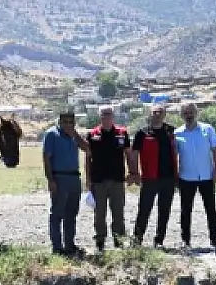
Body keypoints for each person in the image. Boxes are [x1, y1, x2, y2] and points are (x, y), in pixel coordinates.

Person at [85, 104, 135, 252]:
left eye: (109, 114)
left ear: (113, 116)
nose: (106, 117)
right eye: (104, 114)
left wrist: (133, 172)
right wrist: (88, 179)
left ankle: (118, 241)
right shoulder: (92, 134)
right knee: (99, 213)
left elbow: (128, 154)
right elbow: (88, 158)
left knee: (118, 212)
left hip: (117, 179)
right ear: (100, 117)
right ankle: (100, 241)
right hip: (98, 180)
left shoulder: (122, 133)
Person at [174, 103, 216, 247]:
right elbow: (174, 156)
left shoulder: (207, 129)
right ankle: (186, 240)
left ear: (196, 113)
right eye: (186, 113)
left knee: (210, 209)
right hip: (186, 177)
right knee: (185, 210)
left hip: (206, 176)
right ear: (182, 115)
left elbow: (215, 151)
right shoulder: (177, 133)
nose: (189, 115)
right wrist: (175, 174)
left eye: (191, 112)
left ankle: (214, 239)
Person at [41, 109, 87, 255]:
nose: (68, 125)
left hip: (74, 178)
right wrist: (50, 180)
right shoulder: (52, 134)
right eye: (65, 122)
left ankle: (70, 245)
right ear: (59, 122)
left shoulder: (74, 135)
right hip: (59, 178)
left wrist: (76, 136)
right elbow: (46, 158)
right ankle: (57, 247)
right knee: (57, 213)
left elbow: (87, 148)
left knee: (71, 213)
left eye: (71, 122)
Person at [131, 105, 179, 247]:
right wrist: (134, 172)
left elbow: (177, 151)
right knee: (144, 210)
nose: (157, 114)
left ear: (164, 114)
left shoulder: (171, 131)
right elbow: (134, 155)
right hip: (149, 178)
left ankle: (159, 240)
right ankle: (137, 239)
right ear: (150, 114)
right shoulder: (142, 132)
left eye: (160, 112)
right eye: (155, 112)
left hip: (168, 178)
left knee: (164, 210)